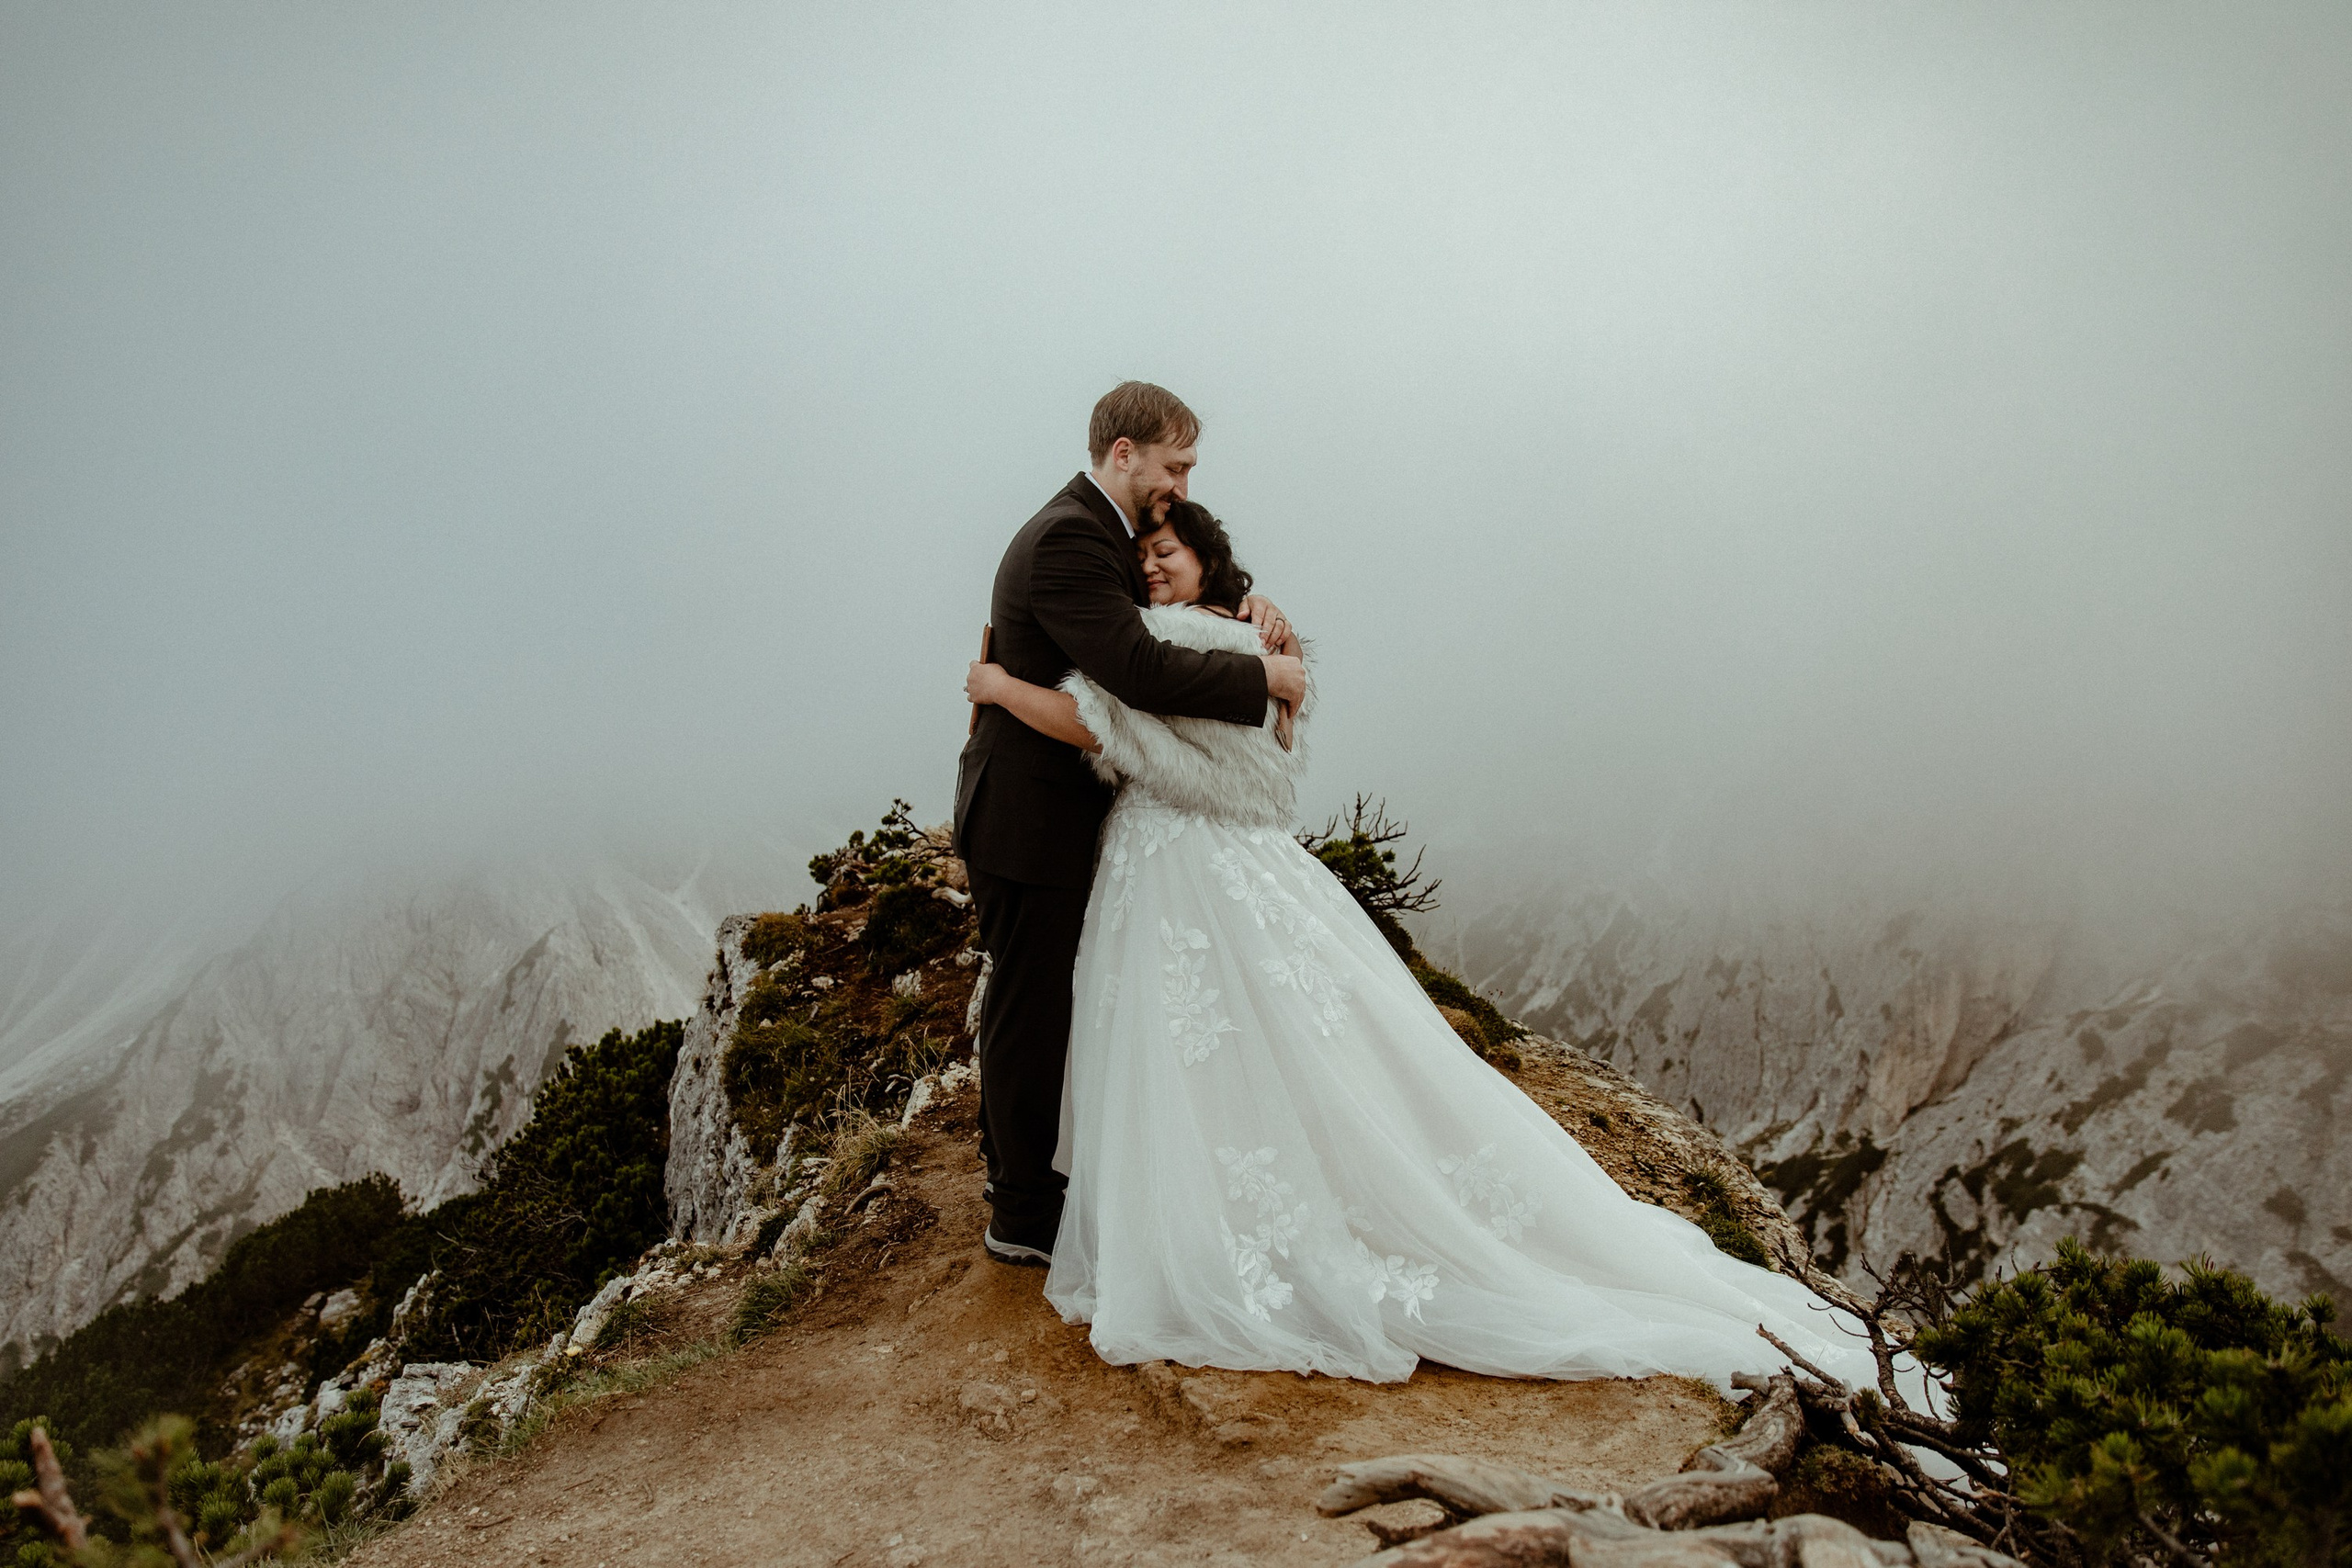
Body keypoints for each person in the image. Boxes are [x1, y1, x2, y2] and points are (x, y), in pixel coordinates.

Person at [964, 503, 1877, 1390]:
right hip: (1207, 857)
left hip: (1178, 861)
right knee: (1257, 1037)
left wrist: (1000, 687)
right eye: (1144, 556)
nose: (1154, 564)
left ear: (1208, 562)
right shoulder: (1244, 637)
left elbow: (1097, 723)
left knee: (1195, 1040)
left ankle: (1191, 1223)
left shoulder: (1197, 644)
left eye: (1171, 551)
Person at [952, 381, 1306, 1268]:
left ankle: (1026, 1183)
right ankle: (1023, 1211)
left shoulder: (1098, 534)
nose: (1179, 485)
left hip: (1056, 814)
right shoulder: (1074, 535)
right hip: (1030, 821)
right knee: (1030, 1007)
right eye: (1174, 465)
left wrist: (1253, 614)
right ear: (1123, 453)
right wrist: (1264, 678)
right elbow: (1138, 669)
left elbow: (1155, 628)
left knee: (1038, 1000)